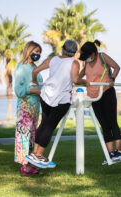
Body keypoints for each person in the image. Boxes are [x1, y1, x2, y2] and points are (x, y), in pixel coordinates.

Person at [25, 39, 86, 168]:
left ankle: (34, 153)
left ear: (62, 49)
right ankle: (39, 155)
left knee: (44, 124)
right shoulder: (74, 63)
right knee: (50, 127)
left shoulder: (53, 59)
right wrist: (87, 82)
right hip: (61, 99)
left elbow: (35, 71)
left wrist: (34, 81)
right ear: (75, 52)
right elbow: (76, 79)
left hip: (46, 95)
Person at [78, 40, 121, 163]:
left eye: (87, 56)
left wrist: (112, 78)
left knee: (112, 121)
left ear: (93, 53)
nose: (86, 59)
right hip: (94, 97)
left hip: (106, 92)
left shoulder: (102, 57)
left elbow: (116, 67)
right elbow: (79, 76)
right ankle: (110, 154)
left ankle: (118, 151)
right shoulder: (86, 63)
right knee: (104, 125)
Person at [14, 41, 43, 175]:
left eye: (39, 52)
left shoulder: (35, 67)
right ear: (29, 51)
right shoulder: (22, 67)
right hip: (25, 107)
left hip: (36, 108)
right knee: (23, 137)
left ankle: (30, 164)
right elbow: (18, 90)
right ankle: (24, 167)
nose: (37, 54)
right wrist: (34, 91)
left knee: (32, 137)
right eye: (35, 51)